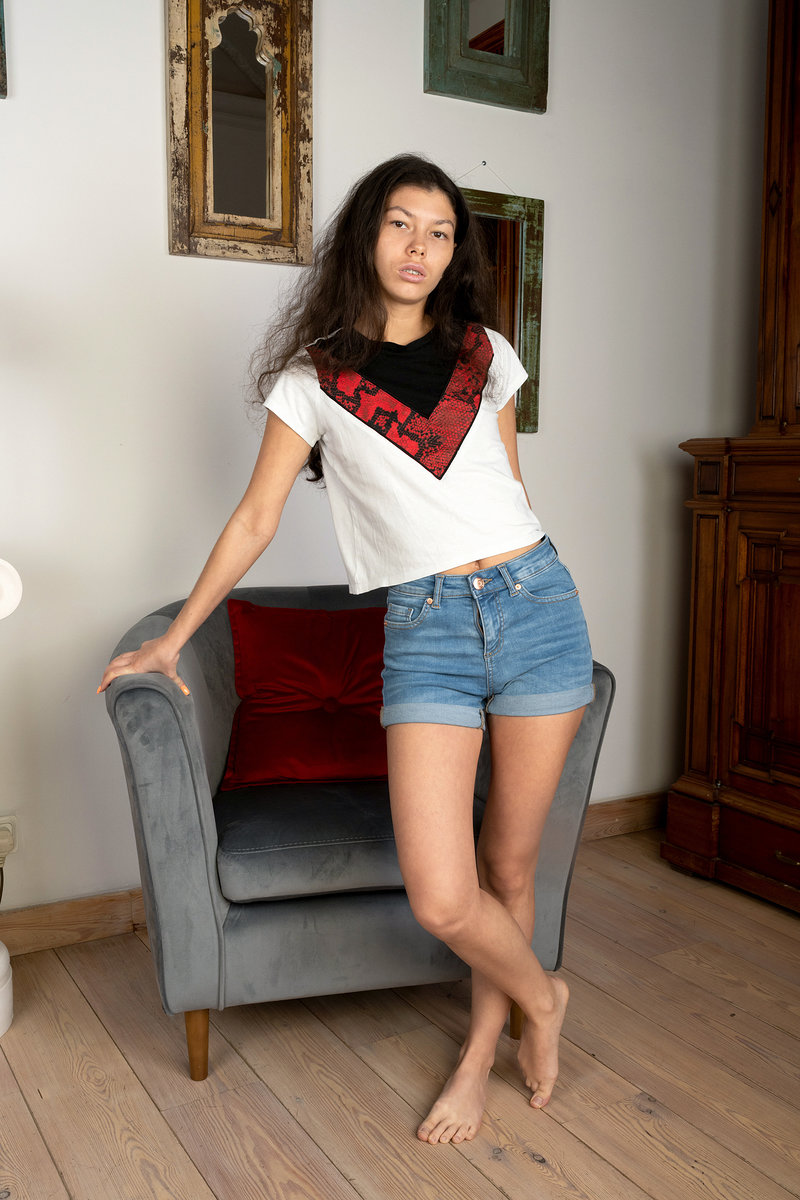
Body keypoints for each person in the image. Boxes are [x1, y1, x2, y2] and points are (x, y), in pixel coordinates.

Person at [98, 153, 594, 1146]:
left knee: (508, 867)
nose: (420, 246)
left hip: (537, 603)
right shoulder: (312, 379)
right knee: (443, 895)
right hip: (425, 629)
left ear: (454, 254)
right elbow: (256, 519)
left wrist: (524, 581)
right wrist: (172, 639)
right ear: (366, 236)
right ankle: (543, 999)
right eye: (401, 224)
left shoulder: (486, 352)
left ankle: (476, 1055)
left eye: (440, 232)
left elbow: (510, 490)